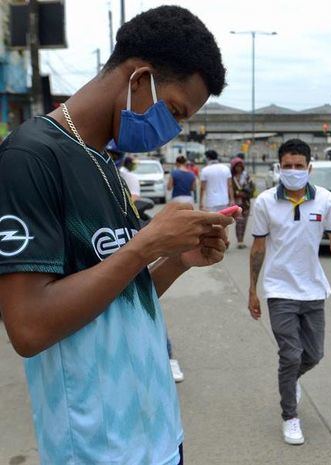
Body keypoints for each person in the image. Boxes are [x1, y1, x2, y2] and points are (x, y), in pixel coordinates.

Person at [0, 6, 231, 465]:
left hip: (159, 435)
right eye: (175, 112)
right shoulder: (30, 157)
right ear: (139, 78)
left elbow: (121, 301)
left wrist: (176, 259)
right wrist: (146, 243)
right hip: (96, 449)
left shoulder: (105, 164)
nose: (172, 132)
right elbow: (28, 327)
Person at [248, 138, 331, 445]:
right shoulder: (265, 202)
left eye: (299, 166)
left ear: (309, 167)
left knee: (314, 354)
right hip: (279, 288)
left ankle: (291, 378)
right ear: (278, 167)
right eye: (287, 166)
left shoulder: (324, 200)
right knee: (290, 353)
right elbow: (257, 248)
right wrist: (252, 290)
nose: (293, 171)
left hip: (313, 289)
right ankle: (290, 417)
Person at [230, 156, 255, 249]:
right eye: (237, 166)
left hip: (246, 203)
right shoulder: (231, 178)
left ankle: (242, 239)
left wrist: (246, 193)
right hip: (236, 203)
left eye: (240, 166)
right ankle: (239, 240)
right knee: (239, 221)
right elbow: (230, 189)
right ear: (234, 167)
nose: (239, 168)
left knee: (244, 222)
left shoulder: (247, 177)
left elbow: (252, 188)